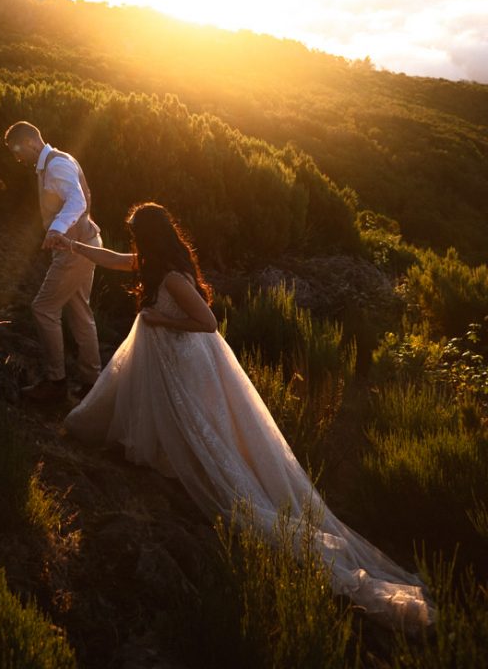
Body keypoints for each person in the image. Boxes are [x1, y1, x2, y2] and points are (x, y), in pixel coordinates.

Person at [57, 202, 435, 631]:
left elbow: (208, 322)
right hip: (171, 357)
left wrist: (158, 317)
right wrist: (75, 246)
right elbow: (117, 260)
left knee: (202, 431)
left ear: (149, 238)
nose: (132, 244)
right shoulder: (154, 265)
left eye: (135, 235)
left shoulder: (172, 278)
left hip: (187, 359)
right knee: (177, 421)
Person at [4, 121, 103, 403]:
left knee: (43, 308)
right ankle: (92, 383)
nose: (17, 157)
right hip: (85, 243)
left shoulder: (56, 165)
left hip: (75, 248)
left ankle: (55, 382)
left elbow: (78, 200)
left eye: (18, 150)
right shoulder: (60, 159)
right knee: (80, 312)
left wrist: (57, 228)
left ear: (33, 142)